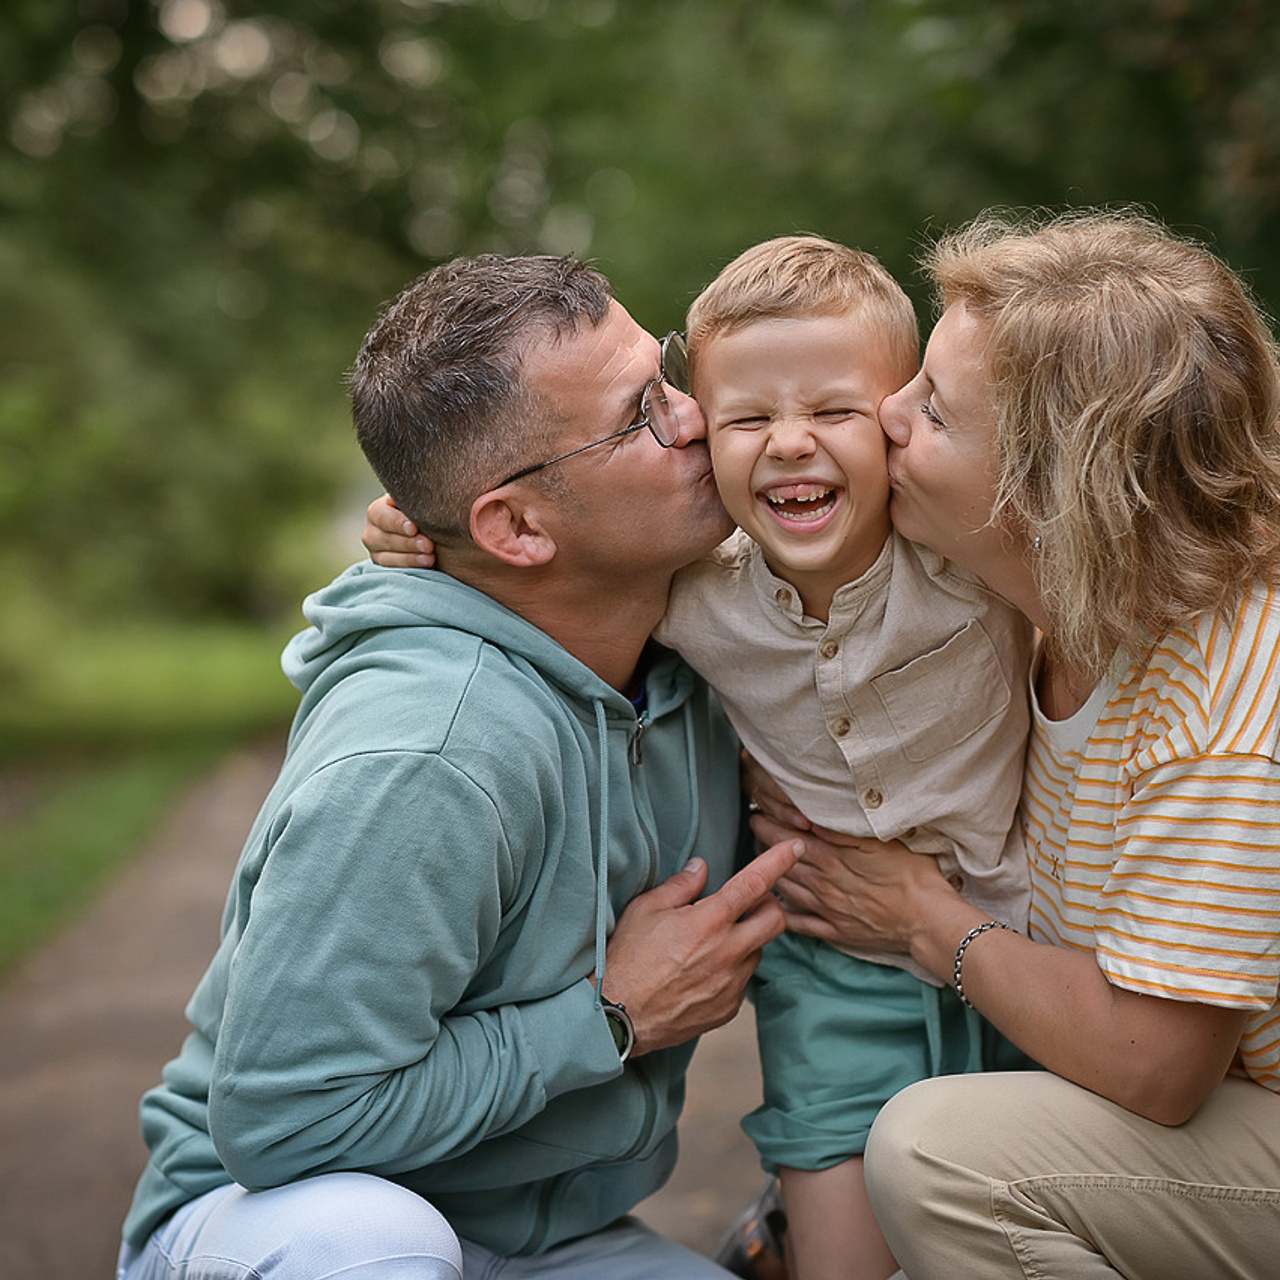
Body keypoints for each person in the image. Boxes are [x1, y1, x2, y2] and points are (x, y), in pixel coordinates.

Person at [117, 253, 804, 1280]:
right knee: (373, 1248)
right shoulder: (427, 752)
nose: (697, 417)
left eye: (667, 374)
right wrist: (607, 1016)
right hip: (285, 1221)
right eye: (640, 415)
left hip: (533, 1237)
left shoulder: (693, 650)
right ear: (517, 528)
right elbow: (286, 1118)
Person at [364, 234, 1036, 1280]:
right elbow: (540, 569)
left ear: (898, 418)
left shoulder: (963, 551)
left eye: (832, 411)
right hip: (832, 966)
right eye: (746, 419)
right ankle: (797, 1232)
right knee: (846, 1239)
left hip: (1021, 923)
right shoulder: (691, 583)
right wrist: (415, 540)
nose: (788, 444)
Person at [745, 209, 1280, 1279]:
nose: (885, 414)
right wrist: (439, 531)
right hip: (1210, 1122)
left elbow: (1152, 1067)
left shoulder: (1223, 704)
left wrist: (919, 918)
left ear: (1047, 495)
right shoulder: (1017, 600)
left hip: (1240, 1115)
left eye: (932, 410)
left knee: (941, 1157)